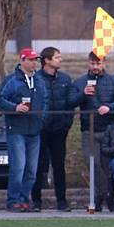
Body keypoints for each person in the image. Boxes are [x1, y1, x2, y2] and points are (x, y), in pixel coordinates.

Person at [0, 48, 48, 212]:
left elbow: (45, 100)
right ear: (22, 60)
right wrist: (14, 108)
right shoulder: (12, 81)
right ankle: (13, 200)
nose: (34, 63)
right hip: (17, 129)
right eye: (31, 60)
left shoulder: (39, 81)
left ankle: (24, 200)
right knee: (18, 167)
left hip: (34, 130)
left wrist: (41, 118)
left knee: (31, 170)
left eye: (35, 60)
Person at [73, 51, 114, 212]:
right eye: (92, 63)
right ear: (88, 63)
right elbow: (70, 101)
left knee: (108, 167)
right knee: (93, 165)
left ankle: (108, 199)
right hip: (88, 129)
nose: (95, 66)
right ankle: (100, 195)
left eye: (98, 63)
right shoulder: (80, 81)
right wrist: (83, 95)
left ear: (104, 63)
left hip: (109, 130)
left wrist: (109, 107)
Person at [33, 47, 83, 212]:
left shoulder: (65, 79)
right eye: (57, 57)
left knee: (59, 165)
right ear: (46, 60)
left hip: (59, 130)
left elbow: (70, 102)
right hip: (40, 129)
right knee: (39, 165)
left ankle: (62, 201)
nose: (60, 60)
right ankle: (36, 201)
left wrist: (83, 95)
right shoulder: (36, 79)